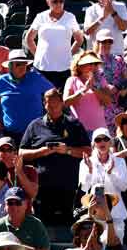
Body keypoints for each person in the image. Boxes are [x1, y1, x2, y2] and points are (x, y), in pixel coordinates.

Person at [20, 88, 91, 225]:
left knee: (71, 228)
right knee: (44, 227)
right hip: (43, 189)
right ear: (44, 104)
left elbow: (88, 151)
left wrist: (67, 150)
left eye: (56, 103)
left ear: (62, 103)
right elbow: (21, 153)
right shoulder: (35, 125)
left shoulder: (74, 124)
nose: (52, 107)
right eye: (48, 103)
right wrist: (41, 151)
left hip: (70, 188)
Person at [0, 50, 53, 142]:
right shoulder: (2, 81)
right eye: (18, 64)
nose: (22, 67)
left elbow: (53, 92)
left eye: (24, 64)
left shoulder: (36, 77)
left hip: (36, 132)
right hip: (10, 133)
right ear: (10, 67)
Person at [79, 127, 127, 240]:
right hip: (95, 213)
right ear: (93, 144)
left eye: (105, 139)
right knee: (95, 249)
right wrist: (90, 170)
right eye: (98, 140)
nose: (102, 142)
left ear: (110, 142)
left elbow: (125, 187)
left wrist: (111, 173)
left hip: (116, 212)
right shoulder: (85, 162)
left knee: (116, 249)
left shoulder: (119, 161)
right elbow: (84, 187)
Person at [63, 50, 109, 134]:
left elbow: (108, 101)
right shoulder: (72, 80)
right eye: (89, 63)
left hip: (100, 130)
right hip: (80, 130)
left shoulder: (101, 80)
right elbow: (66, 102)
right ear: (79, 66)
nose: (92, 66)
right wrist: (84, 89)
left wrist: (94, 88)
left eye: (94, 64)